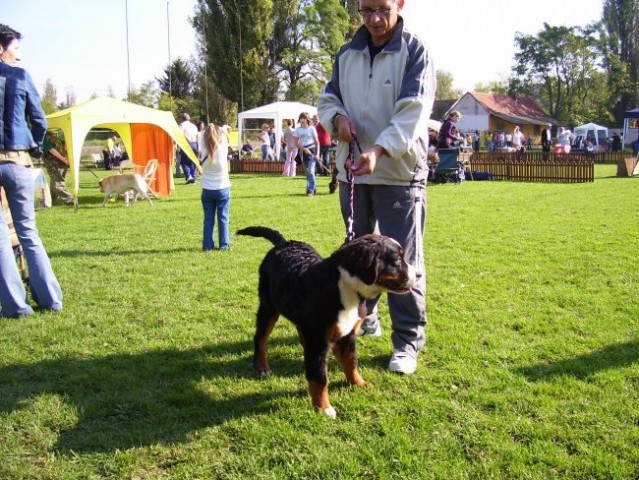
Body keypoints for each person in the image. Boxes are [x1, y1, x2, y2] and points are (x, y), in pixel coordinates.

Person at [317, 0, 435, 374]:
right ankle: (364, 317)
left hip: (398, 172)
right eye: (366, 10)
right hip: (354, 172)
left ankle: (407, 342)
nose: (376, 19)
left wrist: (379, 149)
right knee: (358, 259)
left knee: (404, 264)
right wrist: (336, 119)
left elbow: (413, 111)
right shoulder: (347, 52)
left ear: (400, 4)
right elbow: (327, 98)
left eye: (383, 9)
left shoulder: (414, 50)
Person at [0, 24, 63, 318]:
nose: (18, 55)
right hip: (17, 161)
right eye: (15, 48)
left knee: (0, 238)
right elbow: (39, 121)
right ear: (1, 47)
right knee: (28, 232)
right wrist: (36, 146)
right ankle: (50, 300)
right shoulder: (20, 77)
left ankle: (16, 306)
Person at [199, 124, 231, 251]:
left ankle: (207, 245)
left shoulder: (203, 145)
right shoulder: (223, 147)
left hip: (207, 190)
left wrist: (210, 128)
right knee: (223, 218)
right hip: (222, 188)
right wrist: (221, 128)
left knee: (208, 219)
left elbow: (203, 135)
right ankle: (224, 245)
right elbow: (224, 133)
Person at [42, 130, 73, 205]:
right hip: (63, 165)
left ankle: (70, 200)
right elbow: (67, 146)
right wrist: (67, 158)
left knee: (56, 185)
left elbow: (51, 150)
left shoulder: (44, 140)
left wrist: (63, 158)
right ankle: (51, 201)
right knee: (55, 182)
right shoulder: (57, 139)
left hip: (55, 165)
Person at [294, 112, 319, 196]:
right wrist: (304, 149)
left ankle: (310, 190)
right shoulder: (298, 130)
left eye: (304, 118)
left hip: (312, 150)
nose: (302, 120)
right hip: (302, 152)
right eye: (301, 118)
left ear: (307, 119)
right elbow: (296, 143)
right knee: (308, 172)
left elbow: (317, 142)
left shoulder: (311, 128)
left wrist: (318, 154)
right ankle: (313, 188)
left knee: (311, 171)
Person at [179, 113, 199, 183]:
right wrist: (198, 146)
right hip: (195, 144)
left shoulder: (182, 125)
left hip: (186, 144)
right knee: (193, 161)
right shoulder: (193, 126)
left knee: (184, 161)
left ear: (182, 119)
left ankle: (188, 176)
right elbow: (197, 136)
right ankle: (194, 177)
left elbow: (180, 135)